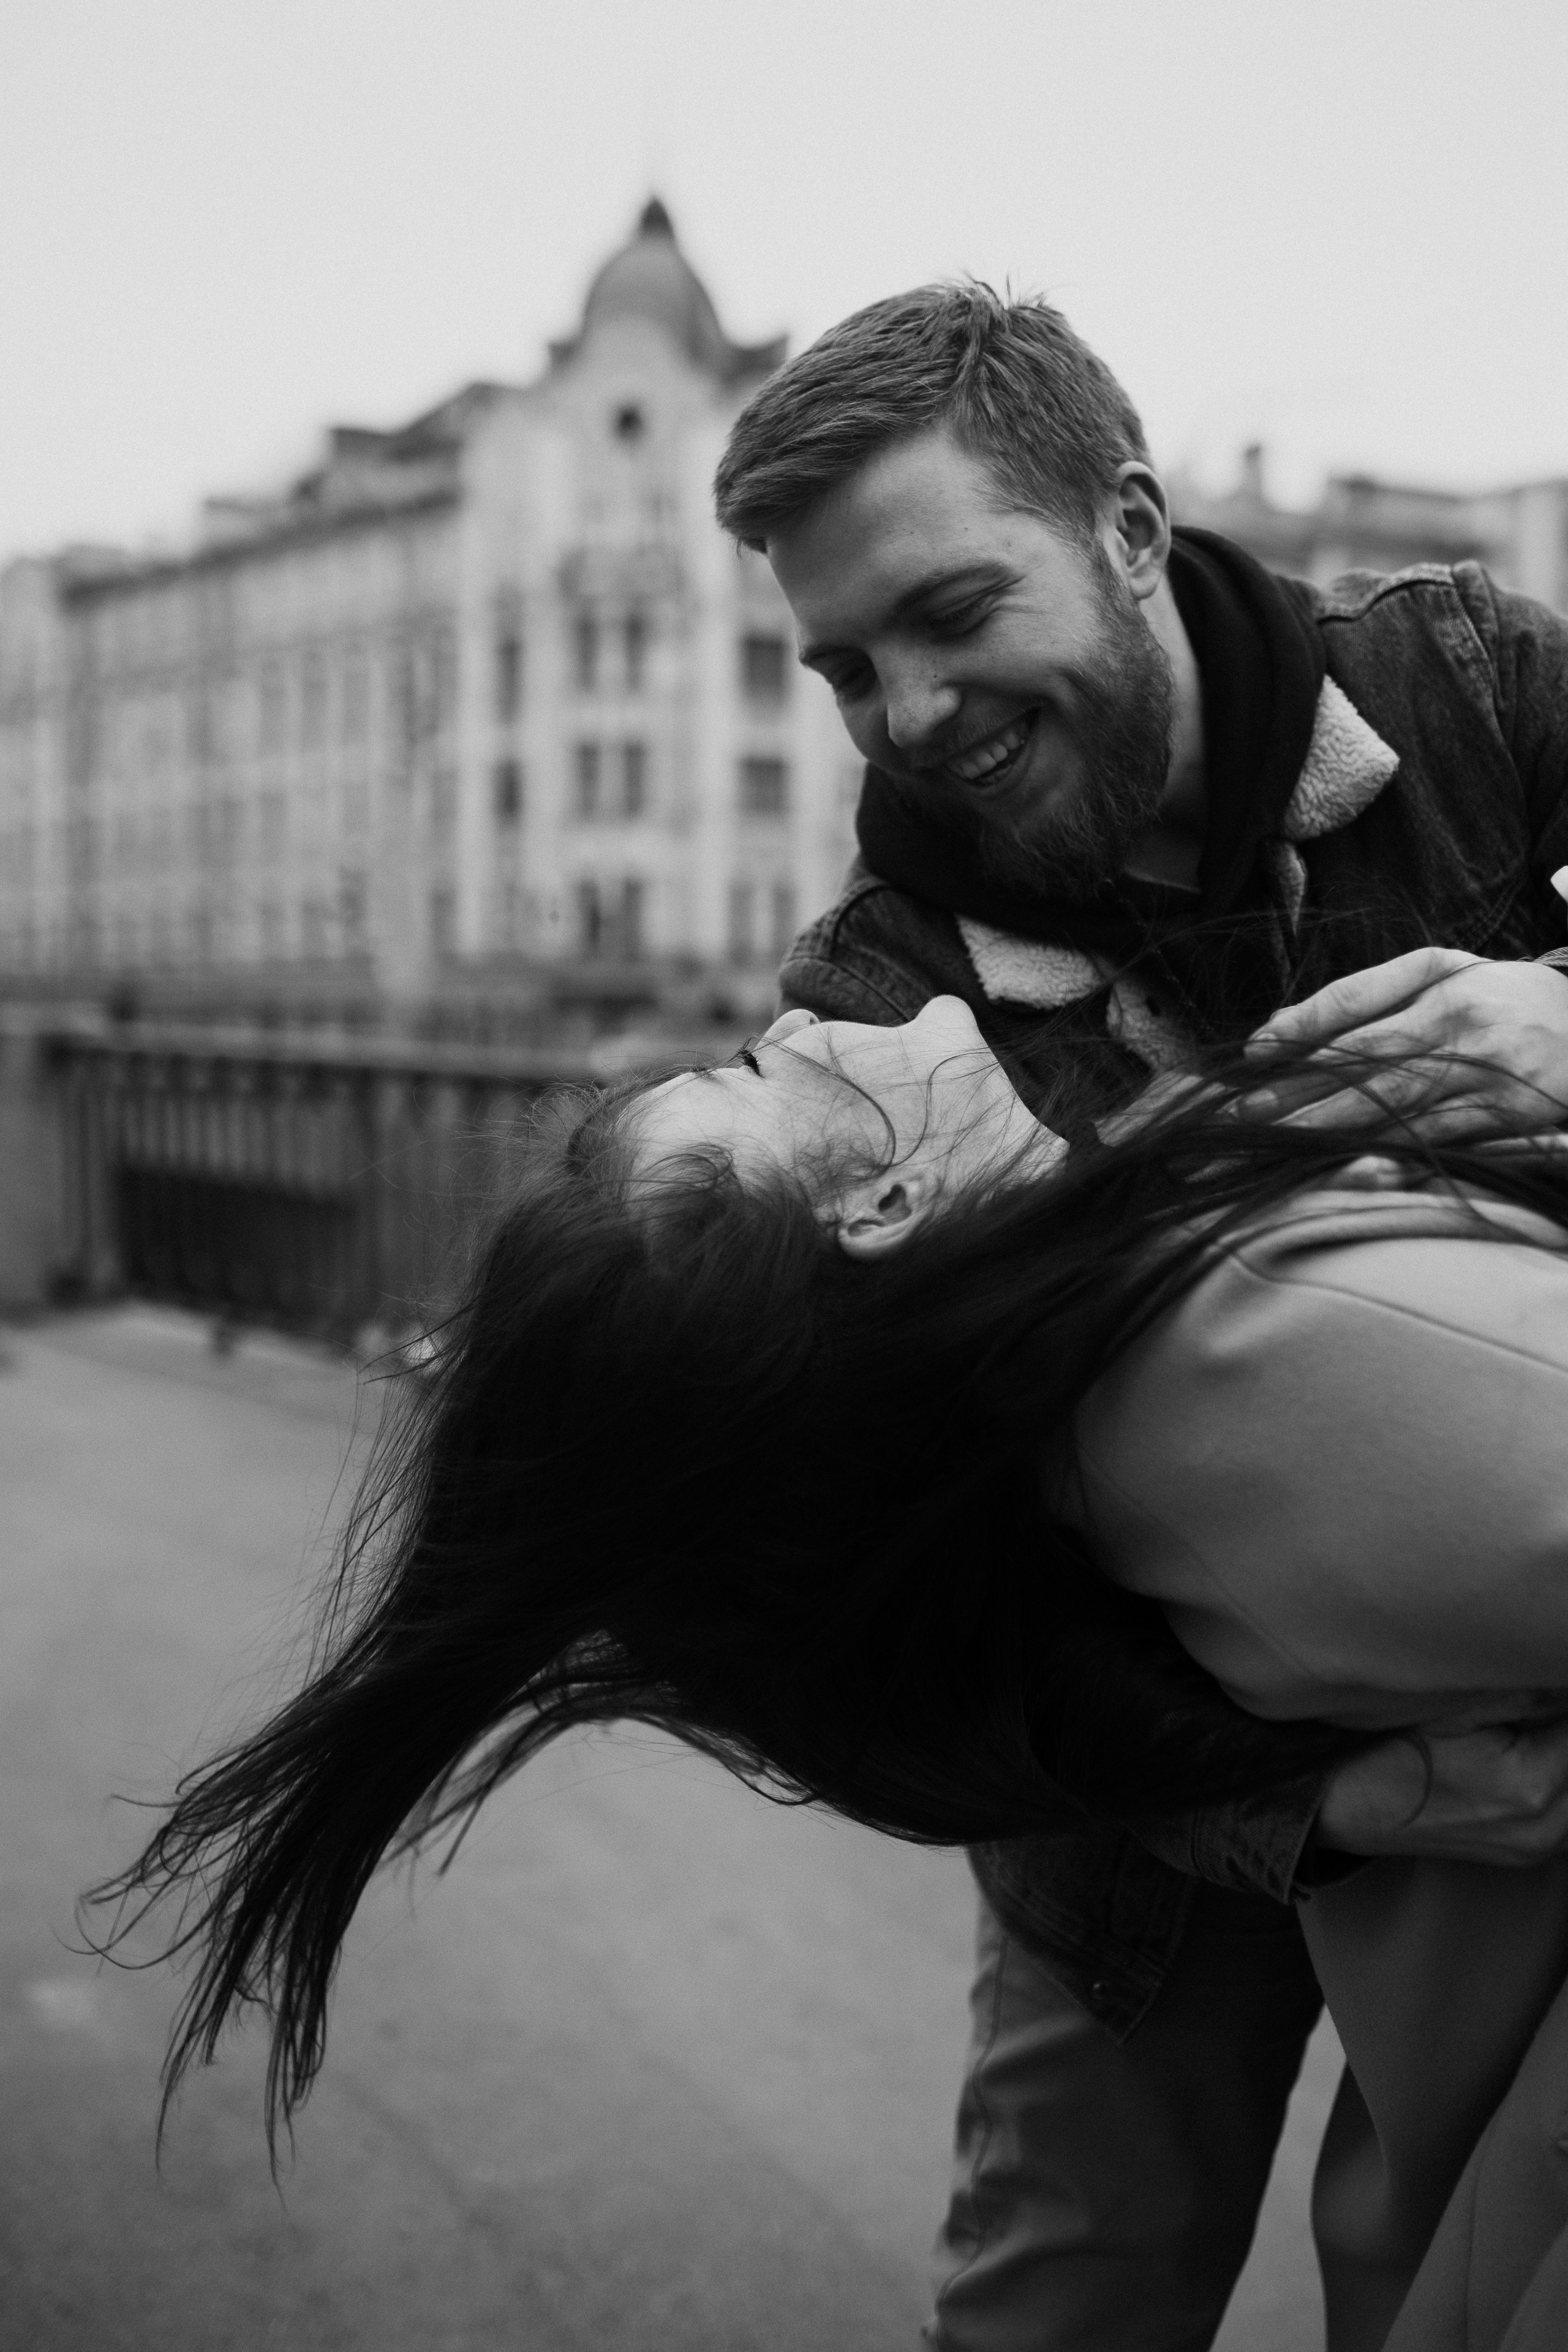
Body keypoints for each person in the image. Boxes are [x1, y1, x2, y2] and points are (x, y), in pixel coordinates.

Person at [99, 993, 1568, 2352]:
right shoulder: (1277, 1357)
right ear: (883, 1204)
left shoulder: (1113, 1356)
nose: (799, 1014)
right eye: (753, 1066)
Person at [707, 277, 1568, 2347]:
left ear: (1129, 527)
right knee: (1058, 2305)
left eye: (947, 612)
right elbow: (900, 1592)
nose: (906, 714)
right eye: (843, 669)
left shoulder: (1476, 683)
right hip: (1148, 1813)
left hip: (1530, 1749)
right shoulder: (872, 1008)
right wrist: (1293, 1805)